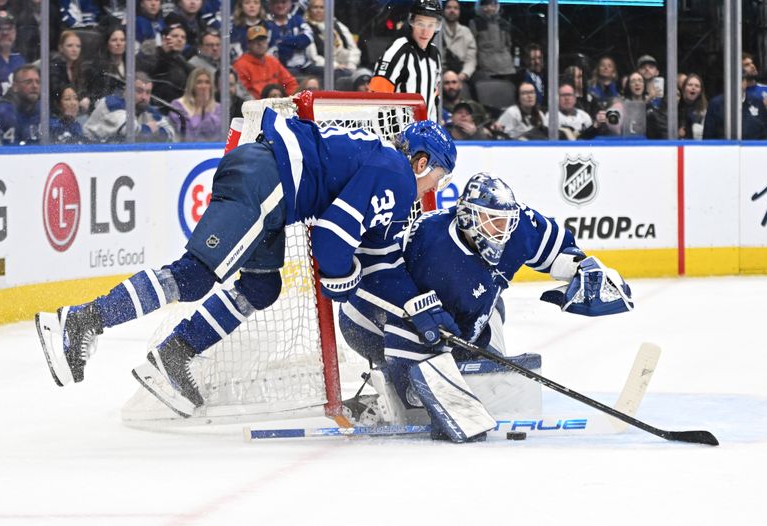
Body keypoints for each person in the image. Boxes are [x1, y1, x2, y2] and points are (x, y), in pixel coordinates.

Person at [36, 116, 459, 419]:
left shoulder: (385, 167)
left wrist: (420, 306)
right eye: (438, 175)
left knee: (260, 287)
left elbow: (381, 262)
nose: (435, 187)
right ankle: (82, 320)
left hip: (270, 182)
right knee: (194, 275)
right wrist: (343, 283)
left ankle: (175, 353)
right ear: (422, 162)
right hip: (266, 180)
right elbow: (330, 240)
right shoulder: (395, 174)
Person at [338, 172, 633, 442]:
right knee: (423, 351)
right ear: (467, 218)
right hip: (369, 320)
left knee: (492, 306)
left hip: (455, 312)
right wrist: (445, 403)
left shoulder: (517, 226)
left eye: (506, 222)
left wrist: (583, 268)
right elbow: (404, 314)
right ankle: (403, 395)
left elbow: (556, 248)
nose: (502, 231)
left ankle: (457, 380)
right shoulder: (434, 249)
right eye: (493, 221)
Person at [369, 0, 443, 121]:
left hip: (423, 133)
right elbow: (376, 96)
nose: (425, 31)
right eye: (420, 24)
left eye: (431, 25)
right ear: (411, 22)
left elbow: (433, 97)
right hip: (397, 135)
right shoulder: (397, 51)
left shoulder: (435, 54)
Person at [83, 71, 176, 142]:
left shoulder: (147, 110)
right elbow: (130, 132)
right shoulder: (111, 103)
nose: (144, 97)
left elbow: (170, 133)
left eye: (148, 92)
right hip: (88, 152)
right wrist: (152, 129)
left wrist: (146, 131)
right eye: (139, 91)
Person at [233, 25, 299, 99]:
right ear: (248, 44)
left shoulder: (273, 61)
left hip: (278, 104)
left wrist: (288, 100)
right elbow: (243, 93)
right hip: (255, 106)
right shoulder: (240, 65)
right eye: (256, 41)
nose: (260, 44)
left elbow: (290, 83)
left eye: (263, 41)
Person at [137, 19, 194, 103]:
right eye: (175, 36)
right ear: (164, 38)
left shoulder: (180, 59)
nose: (180, 40)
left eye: (183, 37)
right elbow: (152, 74)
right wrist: (164, 53)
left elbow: (196, 74)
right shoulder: (150, 53)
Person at [304, 0, 361, 79]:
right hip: (325, 66)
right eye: (315, 7)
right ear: (309, 10)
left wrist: (351, 63)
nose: (318, 10)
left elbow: (353, 48)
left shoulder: (336, 24)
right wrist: (336, 65)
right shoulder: (306, 27)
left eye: (322, 7)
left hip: (345, 63)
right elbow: (314, 57)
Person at [703, 76, 767, 140]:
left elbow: (765, 131)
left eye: (740, 80)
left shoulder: (757, 102)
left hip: (753, 149)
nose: (737, 84)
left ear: (745, 82)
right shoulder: (715, 104)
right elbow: (708, 134)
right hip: (723, 149)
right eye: (733, 81)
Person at [266, 0, 318, 77]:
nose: (280, 6)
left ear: (290, 4)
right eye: (276, 2)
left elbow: (308, 37)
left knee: (330, 73)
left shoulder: (297, 20)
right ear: (270, 5)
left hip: (304, 66)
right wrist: (295, 42)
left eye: (284, 2)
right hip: (282, 69)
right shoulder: (267, 24)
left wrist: (282, 42)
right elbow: (269, 51)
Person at [0, 63, 41, 145]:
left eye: (38, 82)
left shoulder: (42, 110)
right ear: (15, 87)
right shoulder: (3, 112)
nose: (35, 86)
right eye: (28, 82)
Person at [469, 0, 515, 83]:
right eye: (486, 5)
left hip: (506, 68)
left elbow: (509, 45)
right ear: (480, 7)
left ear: (496, 6)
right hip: (486, 69)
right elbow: (472, 47)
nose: (489, 8)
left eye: (492, 5)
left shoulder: (504, 23)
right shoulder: (475, 23)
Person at [169, 67, 221, 140]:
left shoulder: (218, 108)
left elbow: (215, 135)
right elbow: (187, 136)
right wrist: (199, 109)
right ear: (192, 86)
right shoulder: (177, 106)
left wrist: (206, 110)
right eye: (199, 82)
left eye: (207, 82)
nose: (203, 86)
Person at [49, 30, 91, 115]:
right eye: (69, 46)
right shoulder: (55, 66)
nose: (74, 50)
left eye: (78, 46)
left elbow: (83, 91)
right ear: (61, 48)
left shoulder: (79, 67)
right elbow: (57, 91)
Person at [83, 24, 127, 105]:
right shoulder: (99, 67)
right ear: (107, 44)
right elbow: (98, 96)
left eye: (122, 40)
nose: (119, 43)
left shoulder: (131, 64)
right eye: (114, 40)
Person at [441, 0, 476, 83]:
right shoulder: (435, 30)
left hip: (461, 75)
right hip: (439, 75)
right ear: (443, 10)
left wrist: (464, 74)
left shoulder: (466, 32)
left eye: (455, 8)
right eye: (449, 7)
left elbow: (471, 59)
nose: (452, 10)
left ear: (459, 12)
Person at [678, 73, 707, 140]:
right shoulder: (675, 106)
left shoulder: (705, 110)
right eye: (690, 85)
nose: (693, 88)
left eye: (697, 86)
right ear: (684, 88)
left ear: (700, 91)